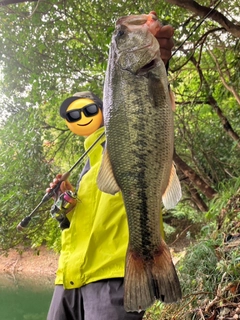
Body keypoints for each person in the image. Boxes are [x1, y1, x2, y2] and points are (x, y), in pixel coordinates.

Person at [47, 15, 174, 320]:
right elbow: (77, 223)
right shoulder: (88, 167)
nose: (82, 119)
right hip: (69, 279)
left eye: (89, 110)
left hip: (112, 276)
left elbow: (146, 113)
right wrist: (64, 203)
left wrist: (162, 62)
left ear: (105, 106)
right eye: (74, 115)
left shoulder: (114, 138)